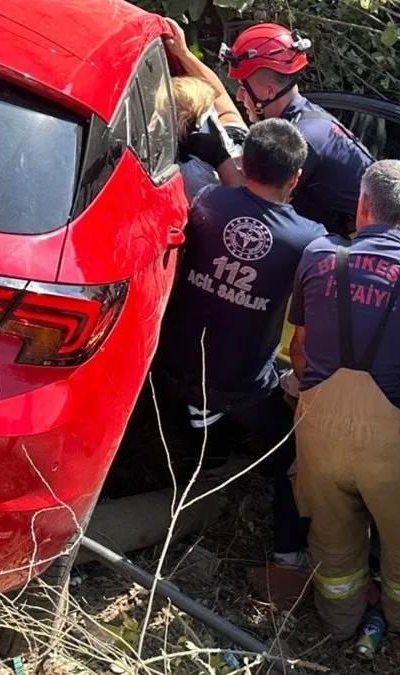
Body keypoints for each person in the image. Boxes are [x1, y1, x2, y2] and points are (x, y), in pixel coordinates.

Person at [152, 118, 326, 570]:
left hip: (166, 364)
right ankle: (289, 553)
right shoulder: (307, 240)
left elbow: (235, 194)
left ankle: (198, 446)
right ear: (296, 179)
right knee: (291, 455)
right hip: (240, 385)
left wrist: (223, 161)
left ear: (244, 163)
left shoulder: (206, 200)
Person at [288, 159, 400, 639]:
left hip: (318, 430)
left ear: (361, 207)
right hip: (394, 440)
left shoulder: (318, 255)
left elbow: (298, 350)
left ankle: (338, 624)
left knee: (330, 534)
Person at [220, 23, 372, 237]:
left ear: (269, 91)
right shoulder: (300, 116)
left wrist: (218, 159)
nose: (238, 97)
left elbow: (256, 203)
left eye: (243, 89)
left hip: (399, 239)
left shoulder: (300, 138)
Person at [164, 19, 248, 200]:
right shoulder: (239, 145)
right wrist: (183, 53)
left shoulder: (183, 177)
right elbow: (220, 96)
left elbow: (219, 97)